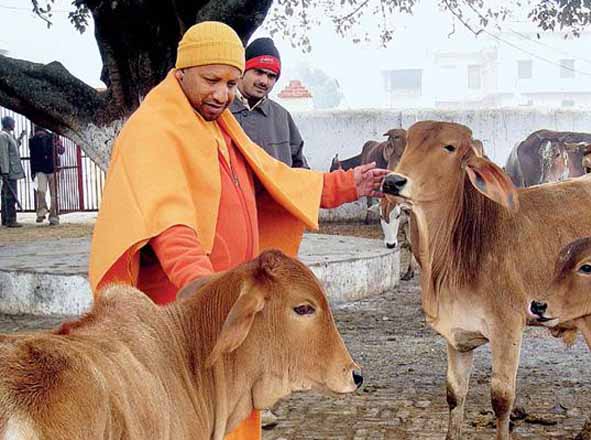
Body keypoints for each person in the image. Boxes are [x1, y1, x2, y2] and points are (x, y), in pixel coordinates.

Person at [88, 21, 388, 440]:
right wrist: (204, 289)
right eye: (212, 80)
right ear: (181, 73)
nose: (223, 94)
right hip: (186, 315)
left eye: (231, 82)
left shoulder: (217, 126)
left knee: (230, 415)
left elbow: (272, 179)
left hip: (230, 306)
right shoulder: (153, 130)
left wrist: (346, 185)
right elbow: (168, 219)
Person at [230, 37, 308, 167]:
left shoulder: (282, 117)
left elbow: (300, 168)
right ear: (242, 71)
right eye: (259, 72)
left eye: (271, 76)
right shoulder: (220, 109)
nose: (264, 81)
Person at [29, 126, 63, 225]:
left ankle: (52, 215)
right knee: (41, 190)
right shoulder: (32, 140)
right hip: (41, 169)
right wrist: (33, 171)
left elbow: (61, 151)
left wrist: (59, 146)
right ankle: (43, 211)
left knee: (53, 193)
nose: (39, 134)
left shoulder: (54, 137)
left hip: (53, 168)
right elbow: (32, 156)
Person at [0, 116, 25, 228]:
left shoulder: (9, 136)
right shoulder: (3, 136)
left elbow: (13, 149)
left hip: (12, 170)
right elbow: (3, 154)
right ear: (8, 124)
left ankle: (6, 219)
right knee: (10, 195)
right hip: (9, 171)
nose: (14, 125)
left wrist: (20, 138)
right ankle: (10, 219)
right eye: (13, 123)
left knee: (8, 194)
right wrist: (4, 171)